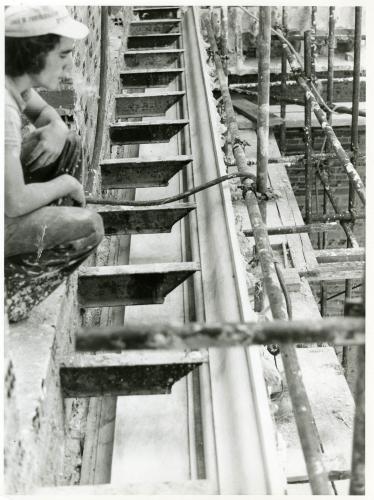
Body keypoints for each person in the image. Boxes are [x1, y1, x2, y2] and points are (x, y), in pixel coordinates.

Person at [4, 6, 104, 322]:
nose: (68, 65)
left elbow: (47, 115)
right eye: (63, 55)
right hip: (7, 205)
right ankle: (10, 296)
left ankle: (35, 246)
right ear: (35, 53)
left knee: (68, 142)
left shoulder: (12, 81)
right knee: (89, 227)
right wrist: (67, 184)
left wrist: (58, 128)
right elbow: (13, 202)